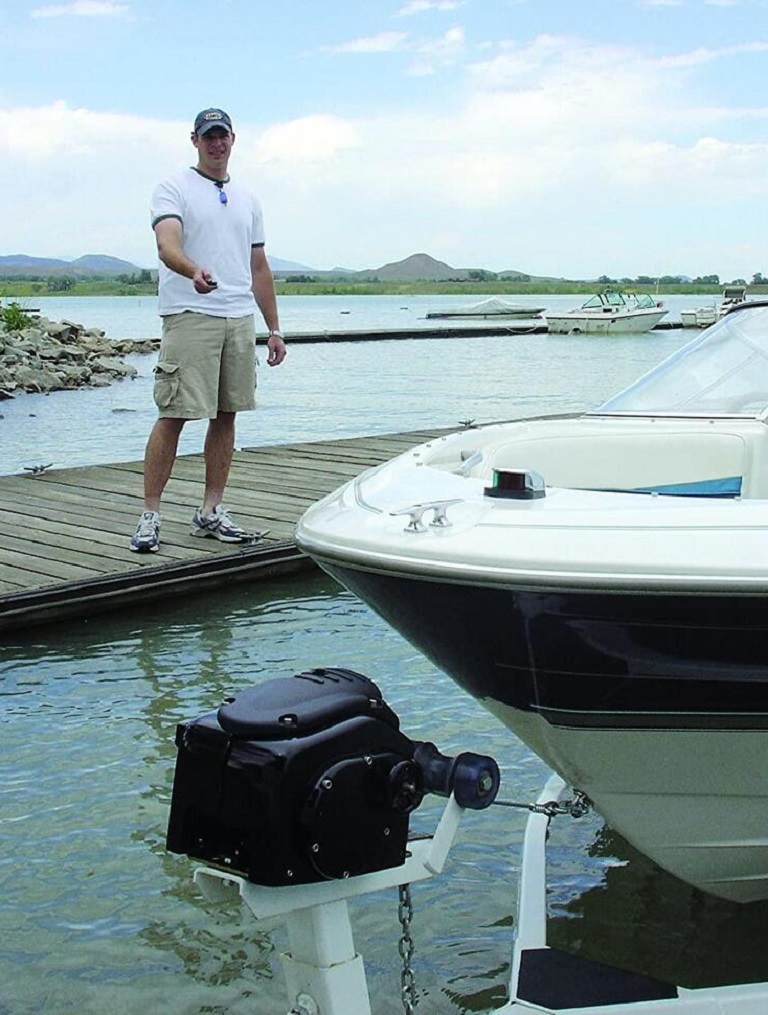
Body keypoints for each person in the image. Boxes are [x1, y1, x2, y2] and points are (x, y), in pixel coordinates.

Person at [130, 107, 287, 553]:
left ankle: (210, 511)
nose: (216, 143)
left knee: (227, 414)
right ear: (195, 141)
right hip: (189, 313)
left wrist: (274, 328)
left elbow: (258, 266)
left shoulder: (247, 199)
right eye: (208, 136)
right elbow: (167, 244)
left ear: (233, 139)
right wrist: (193, 270)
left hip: (239, 318)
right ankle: (150, 516)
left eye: (223, 136)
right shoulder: (173, 188)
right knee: (175, 414)